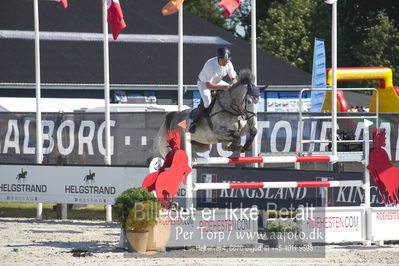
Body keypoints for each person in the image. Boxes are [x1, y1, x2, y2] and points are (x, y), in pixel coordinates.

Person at [189, 47, 238, 133]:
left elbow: (233, 78)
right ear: (218, 58)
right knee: (207, 103)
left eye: (227, 60)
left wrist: (235, 85)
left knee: (232, 92)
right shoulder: (210, 65)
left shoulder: (228, 63)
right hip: (204, 84)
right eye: (224, 60)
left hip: (218, 81)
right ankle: (195, 122)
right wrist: (223, 88)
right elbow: (208, 85)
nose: (226, 62)